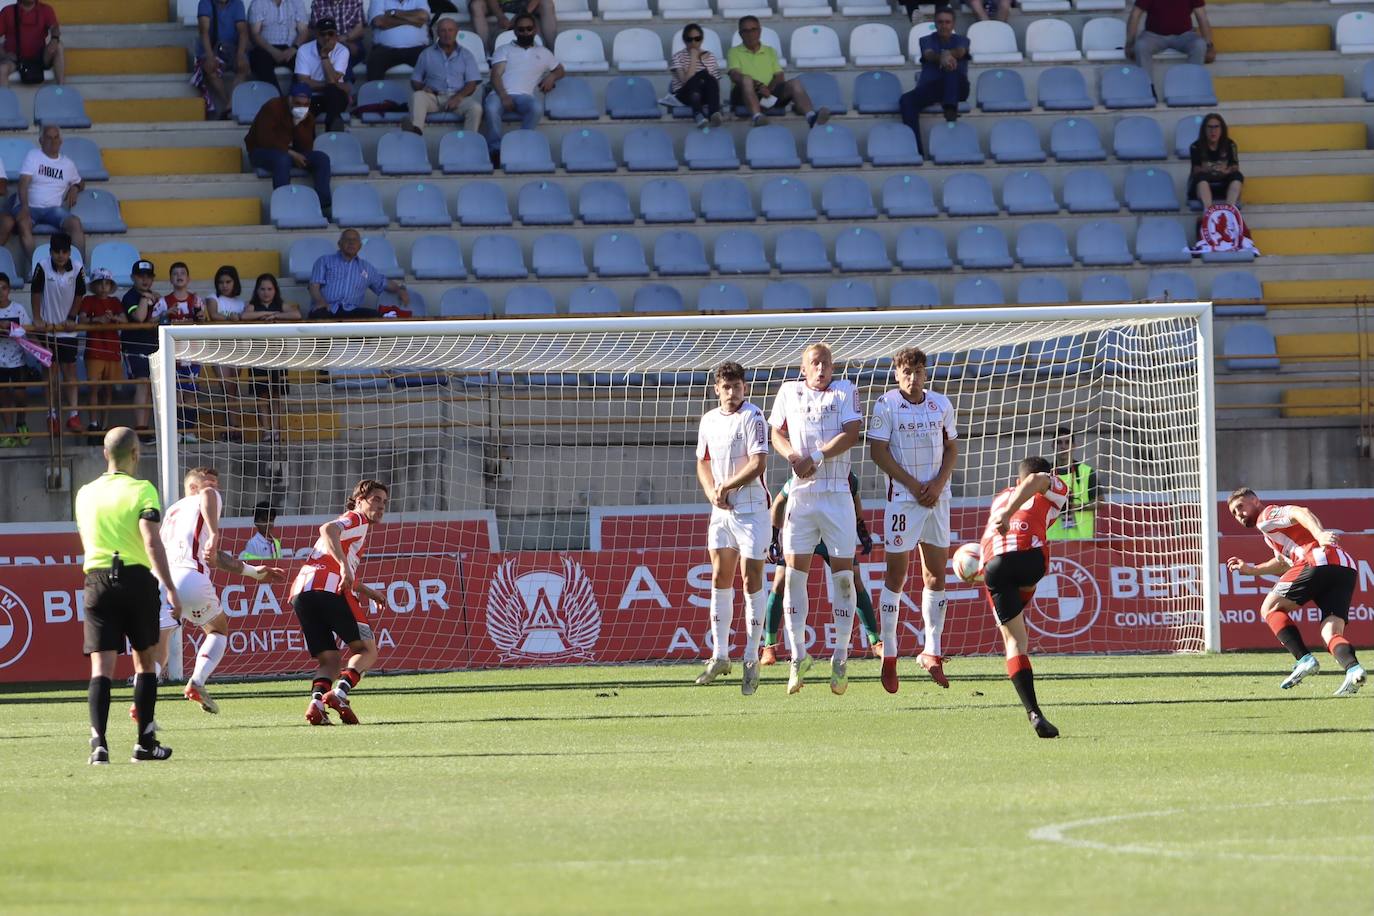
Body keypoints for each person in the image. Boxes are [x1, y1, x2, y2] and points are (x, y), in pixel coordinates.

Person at [74, 427, 181, 764]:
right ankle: (144, 744)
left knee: (101, 667)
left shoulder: (85, 493)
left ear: (105, 454)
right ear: (136, 453)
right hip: (135, 578)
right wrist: (171, 587)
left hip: (97, 580)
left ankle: (99, 746)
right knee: (145, 661)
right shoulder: (142, 489)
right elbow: (151, 540)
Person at [768, 342, 863, 695]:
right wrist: (793, 456)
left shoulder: (844, 391)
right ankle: (798, 656)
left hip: (837, 494)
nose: (821, 369)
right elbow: (775, 432)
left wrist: (817, 457)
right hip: (801, 496)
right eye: (814, 363)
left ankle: (840, 655)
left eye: (826, 363)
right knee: (793, 577)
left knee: (843, 578)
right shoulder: (788, 392)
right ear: (803, 368)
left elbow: (852, 433)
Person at [868, 345, 959, 693]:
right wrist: (913, 484)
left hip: (938, 498)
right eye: (906, 371)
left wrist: (937, 484)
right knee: (897, 575)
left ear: (925, 374)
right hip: (904, 501)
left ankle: (932, 652)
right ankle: (890, 654)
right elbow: (877, 451)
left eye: (918, 371)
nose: (912, 377)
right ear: (896, 374)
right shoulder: (886, 405)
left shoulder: (941, 404)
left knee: (936, 575)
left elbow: (952, 447)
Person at [162, 466, 288, 714]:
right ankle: (197, 681)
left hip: (161, 583)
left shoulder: (171, 513)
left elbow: (216, 558)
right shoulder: (205, 497)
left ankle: (141, 705)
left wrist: (252, 572)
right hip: (190, 578)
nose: (215, 488)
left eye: (217, 484)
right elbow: (208, 495)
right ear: (194, 487)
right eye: (210, 482)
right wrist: (215, 533)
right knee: (218, 629)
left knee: (158, 648)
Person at [1225, 489, 1365, 696]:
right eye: (1234, 513)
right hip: (1345, 567)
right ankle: (1354, 670)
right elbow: (1283, 563)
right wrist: (1252, 570)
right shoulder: (1271, 534)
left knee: (1270, 608)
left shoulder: (1267, 516)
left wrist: (1319, 534)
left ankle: (1304, 659)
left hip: (1317, 560)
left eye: (1241, 507)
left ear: (1255, 501)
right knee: (1331, 633)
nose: (1239, 514)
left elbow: (1300, 512)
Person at [979, 456, 1070, 739]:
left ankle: (1034, 713)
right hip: (1029, 559)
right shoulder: (1054, 486)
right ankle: (1036, 716)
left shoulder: (999, 498)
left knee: (1014, 641)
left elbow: (986, 543)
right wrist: (1009, 515)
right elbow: (1036, 481)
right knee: (1037, 562)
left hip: (992, 566)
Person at [693, 361, 770, 694]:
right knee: (718, 576)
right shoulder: (709, 420)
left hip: (752, 510)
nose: (732, 392)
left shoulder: (753, 417)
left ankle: (751, 657)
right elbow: (702, 461)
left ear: (745, 388)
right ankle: (720, 654)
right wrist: (713, 491)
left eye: (737, 386)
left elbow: (758, 463)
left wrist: (729, 488)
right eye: (726, 387)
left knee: (750, 578)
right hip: (721, 511)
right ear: (717, 389)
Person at [288, 478, 391, 725]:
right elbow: (327, 529)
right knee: (367, 650)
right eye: (376, 499)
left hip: (302, 591)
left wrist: (367, 591)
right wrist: (345, 567)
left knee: (330, 660)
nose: (381, 506)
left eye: (385, 502)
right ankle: (340, 694)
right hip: (329, 589)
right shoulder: (357, 519)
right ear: (359, 500)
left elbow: (332, 562)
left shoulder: (349, 532)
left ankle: (316, 704)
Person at [760, 470, 879, 666]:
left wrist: (862, 529)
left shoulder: (848, 478)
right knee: (782, 582)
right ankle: (769, 646)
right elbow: (779, 503)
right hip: (803, 532)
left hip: (832, 535)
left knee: (853, 581)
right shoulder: (800, 479)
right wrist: (774, 536)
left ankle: (876, 641)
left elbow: (855, 501)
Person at [481, 12, 564, 162]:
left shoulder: (544, 53)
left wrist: (551, 77)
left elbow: (560, 69)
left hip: (524, 96)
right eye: (521, 29)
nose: (525, 32)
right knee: (492, 108)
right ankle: (495, 150)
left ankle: (521, 143)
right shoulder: (504, 49)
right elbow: (495, 76)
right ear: (515, 31)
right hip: (499, 94)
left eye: (529, 28)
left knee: (536, 108)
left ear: (535, 30)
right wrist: (504, 96)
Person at [726, 15, 828, 129]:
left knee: (795, 83)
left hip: (768, 95)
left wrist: (769, 90)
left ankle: (811, 117)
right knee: (746, 79)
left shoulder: (770, 51)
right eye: (746, 31)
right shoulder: (734, 52)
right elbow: (735, 75)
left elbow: (779, 76)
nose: (750, 34)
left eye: (754, 29)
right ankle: (757, 117)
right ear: (740, 34)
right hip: (744, 96)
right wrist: (759, 86)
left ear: (760, 31)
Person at [29, 230, 84, 436]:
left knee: (70, 372)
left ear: (69, 253)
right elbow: (35, 292)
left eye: (64, 252)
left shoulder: (78, 268)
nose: (60, 256)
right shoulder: (42, 266)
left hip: (67, 331)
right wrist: (37, 318)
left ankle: (73, 415)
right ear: (51, 252)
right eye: (56, 252)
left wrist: (72, 317)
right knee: (50, 374)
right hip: (47, 330)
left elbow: (80, 294)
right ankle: (51, 415)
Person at [246, 83, 330, 213]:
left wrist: (298, 124)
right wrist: (291, 153)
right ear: (290, 99)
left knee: (322, 159)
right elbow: (265, 139)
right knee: (282, 159)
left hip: (290, 154)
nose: (301, 107)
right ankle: (283, 206)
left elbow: (306, 147)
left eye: (305, 104)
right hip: (261, 152)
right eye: (298, 103)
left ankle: (324, 207)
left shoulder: (308, 117)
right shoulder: (273, 107)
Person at [899, 6, 969, 158]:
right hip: (934, 87)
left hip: (958, 87)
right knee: (906, 100)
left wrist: (947, 54)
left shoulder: (962, 40)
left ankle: (950, 108)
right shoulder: (926, 40)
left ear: (953, 24)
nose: (944, 25)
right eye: (940, 22)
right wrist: (941, 58)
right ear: (935, 23)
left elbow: (961, 51)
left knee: (951, 70)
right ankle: (916, 150)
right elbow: (928, 54)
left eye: (947, 22)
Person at [241, 272, 300, 441]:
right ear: (256, 291)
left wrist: (276, 315)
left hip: (278, 356)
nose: (266, 292)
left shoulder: (281, 305)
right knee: (262, 395)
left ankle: (276, 429)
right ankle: (266, 429)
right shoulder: (253, 306)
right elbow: (245, 316)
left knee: (276, 394)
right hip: (258, 356)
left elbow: (296, 315)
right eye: (262, 289)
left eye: (269, 289)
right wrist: (263, 316)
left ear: (275, 290)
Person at [14, 123, 84, 264]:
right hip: (31, 207)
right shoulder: (33, 156)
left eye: (56, 137)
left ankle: (79, 267)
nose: (53, 141)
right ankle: (37, 266)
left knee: (75, 223)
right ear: (41, 141)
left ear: (61, 141)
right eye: (49, 138)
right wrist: (25, 207)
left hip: (53, 210)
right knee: (23, 222)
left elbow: (80, 181)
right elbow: (23, 183)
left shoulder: (68, 164)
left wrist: (75, 188)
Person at [308, 228, 409, 319]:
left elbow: (383, 282)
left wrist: (400, 289)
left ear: (359, 246)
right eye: (347, 240)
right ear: (339, 244)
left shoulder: (366, 268)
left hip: (351, 311)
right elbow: (314, 286)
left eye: (355, 240)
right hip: (327, 308)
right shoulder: (324, 261)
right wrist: (320, 301)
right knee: (319, 317)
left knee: (375, 317)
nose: (351, 243)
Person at [406, 14, 481, 135]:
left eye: (450, 30)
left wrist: (458, 97)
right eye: (443, 30)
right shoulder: (426, 54)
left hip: (457, 98)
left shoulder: (466, 55)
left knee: (475, 108)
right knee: (418, 96)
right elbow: (415, 80)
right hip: (433, 98)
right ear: (437, 33)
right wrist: (422, 88)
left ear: (456, 32)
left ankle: (469, 141)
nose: (447, 34)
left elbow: (471, 83)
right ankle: (415, 134)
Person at [77, 267, 126, 438]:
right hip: (94, 350)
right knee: (93, 388)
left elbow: (124, 320)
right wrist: (97, 319)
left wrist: (113, 318)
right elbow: (81, 318)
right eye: (100, 283)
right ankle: (93, 424)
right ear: (94, 285)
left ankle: (105, 426)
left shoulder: (115, 302)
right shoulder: (88, 300)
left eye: (107, 283)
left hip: (112, 351)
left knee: (108, 389)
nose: (103, 287)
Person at [120, 259, 160, 443]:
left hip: (152, 346)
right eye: (140, 276)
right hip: (134, 347)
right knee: (142, 382)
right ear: (132, 278)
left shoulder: (155, 296)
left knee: (151, 386)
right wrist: (145, 298)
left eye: (148, 277)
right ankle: (141, 428)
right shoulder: (129, 297)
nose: (145, 280)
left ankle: (146, 427)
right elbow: (140, 317)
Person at [1125, 0, 1214, 79]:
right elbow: (1135, 15)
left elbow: (1202, 18)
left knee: (1200, 45)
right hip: (1154, 36)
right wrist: (1130, 43)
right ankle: (1147, 89)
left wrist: (1209, 46)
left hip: (1184, 36)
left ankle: (1191, 87)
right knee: (1140, 46)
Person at [295, 16, 351, 132]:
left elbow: (333, 80)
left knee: (333, 93)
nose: (327, 38)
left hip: (334, 96)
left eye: (330, 34)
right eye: (323, 34)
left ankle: (331, 131)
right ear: (316, 35)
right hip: (312, 96)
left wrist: (324, 55)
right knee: (304, 111)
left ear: (336, 35)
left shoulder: (342, 51)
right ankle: (330, 131)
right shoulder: (304, 50)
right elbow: (304, 82)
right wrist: (334, 85)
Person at [197, 0, 251, 120]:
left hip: (232, 48)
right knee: (209, 68)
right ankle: (229, 103)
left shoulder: (237, 3)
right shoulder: (205, 3)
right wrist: (210, 57)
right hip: (212, 48)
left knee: (244, 66)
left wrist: (241, 55)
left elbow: (243, 31)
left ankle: (228, 107)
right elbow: (203, 31)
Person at [1048, 427, 1098, 541]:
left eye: (1067, 442)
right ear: (1053, 446)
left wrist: (1076, 507)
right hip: (1052, 539)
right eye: (1059, 442)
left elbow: (1100, 502)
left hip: (1082, 540)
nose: (1063, 446)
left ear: (1074, 445)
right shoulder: (1045, 472)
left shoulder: (1086, 471)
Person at [247, 0, 310, 89]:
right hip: (266, 48)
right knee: (259, 61)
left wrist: (293, 49)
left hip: (291, 48)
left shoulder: (297, 2)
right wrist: (273, 51)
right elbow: (255, 34)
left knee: (304, 63)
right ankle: (276, 99)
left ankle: (294, 98)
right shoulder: (258, 3)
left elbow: (304, 31)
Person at [0, 0, 64, 86]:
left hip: (40, 57)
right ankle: (5, 99)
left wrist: (54, 39)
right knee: (2, 69)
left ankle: (61, 88)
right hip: (16, 60)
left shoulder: (46, 9)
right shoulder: (7, 11)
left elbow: (54, 27)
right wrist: (5, 54)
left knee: (59, 46)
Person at [670, 23, 722, 128]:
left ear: (702, 39)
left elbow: (715, 84)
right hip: (684, 94)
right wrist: (694, 57)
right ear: (684, 41)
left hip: (704, 95)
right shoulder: (677, 57)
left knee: (709, 78)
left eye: (697, 38)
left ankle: (714, 113)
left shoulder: (710, 56)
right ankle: (698, 114)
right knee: (700, 75)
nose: (693, 42)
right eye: (689, 39)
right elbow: (685, 80)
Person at [0, 273, 31, 447]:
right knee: (3, 396)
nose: (0, 292)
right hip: (0, 362)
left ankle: (21, 423)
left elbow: (28, 330)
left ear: (9, 290)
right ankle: (9, 431)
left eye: (3, 288)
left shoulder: (18, 308)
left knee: (20, 394)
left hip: (18, 359)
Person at [1188, 112, 1243, 209]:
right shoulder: (1195, 146)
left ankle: (1229, 210)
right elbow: (1196, 169)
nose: (1213, 131)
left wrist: (1226, 171)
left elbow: (1235, 166)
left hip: (1224, 185)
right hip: (1204, 186)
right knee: (1200, 178)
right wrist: (1212, 169)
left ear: (1222, 129)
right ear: (1204, 130)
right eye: (1209, 127)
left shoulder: (1230, 144)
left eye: (1216, 127)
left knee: (1237, 176)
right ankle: (1208, 211)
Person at [366, 0, 430, 80]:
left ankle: (432, 92)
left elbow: (423, 17)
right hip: (385, 49)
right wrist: (413, 20)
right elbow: (379, 22)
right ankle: (375, 92)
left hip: (418, 48)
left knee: (432, 61)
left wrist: (394, 13)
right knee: (374, 62)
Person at [469, 0, 555, 57]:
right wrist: (500, 16)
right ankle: (484, 54)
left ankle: (552, 51)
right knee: (476, 5)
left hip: (524, 3)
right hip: (497, 4)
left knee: (547, 3)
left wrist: (522, 15)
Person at [309, 0, 366, 72]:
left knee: (345, 52)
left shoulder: (356, 1)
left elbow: (360, 29)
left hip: (351, 41)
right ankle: (344, 81)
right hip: (325, 42)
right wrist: (338, 43)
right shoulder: (318, 2)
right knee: (341, 52)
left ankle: (337, 80)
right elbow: (317, 30)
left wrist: (345, 38)